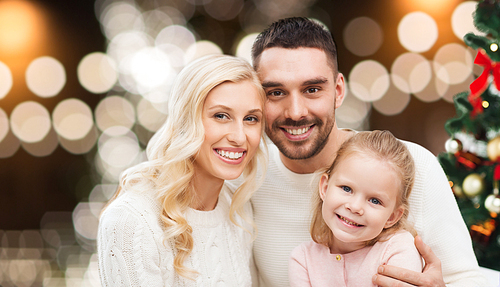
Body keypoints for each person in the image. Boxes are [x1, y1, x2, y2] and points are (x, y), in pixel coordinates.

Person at [238, 17, 487, 286]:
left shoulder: (414, 167)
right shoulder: (245, 179)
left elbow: (467, 279)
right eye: (276, 92)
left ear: (338, 91)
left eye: (312, 89)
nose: (296, 112)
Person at [97, 54, 267, 286]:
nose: (239, 137)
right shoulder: (131, 220)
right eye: (221, 116)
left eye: (251, 119)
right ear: (186, 121)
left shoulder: (239, 211)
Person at [289, 130, 422, 286]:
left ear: (392, 217)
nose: (354, 207)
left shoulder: (398, 248)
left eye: (374, 200)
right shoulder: (303, 259)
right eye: (346, 188)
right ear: (325, 187)